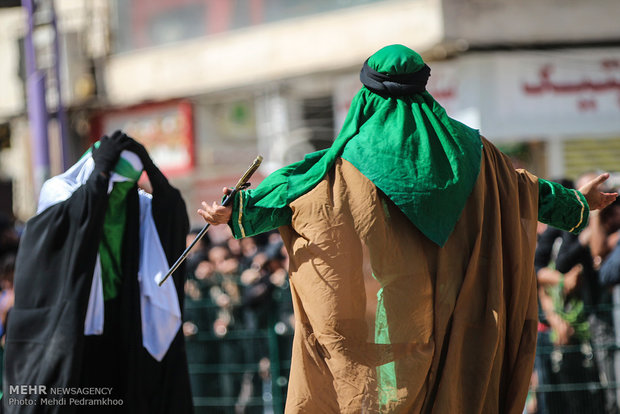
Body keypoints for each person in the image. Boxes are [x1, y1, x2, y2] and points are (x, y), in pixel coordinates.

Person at [198, 44, 617, 413]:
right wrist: (580, 202)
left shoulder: (344, 166)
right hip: (460, 319)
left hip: (388, 329)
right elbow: (526, 189)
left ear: (368, 93)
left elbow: (293, 191)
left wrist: (237, 211)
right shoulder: (477, 156)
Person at [3, 131, 193, 413]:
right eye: (114, 185)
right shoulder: (59, 193)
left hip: (120, 321)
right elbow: (72, 220)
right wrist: (101, 173)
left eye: (126, 187)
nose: (119, 195)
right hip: (69, 326)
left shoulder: (135, 204)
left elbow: (172, 211)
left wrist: (149, 165)